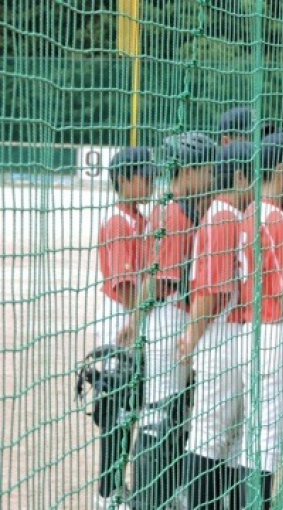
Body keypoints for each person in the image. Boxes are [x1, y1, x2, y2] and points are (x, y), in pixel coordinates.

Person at [117, 132, 217, 509]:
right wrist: (136, 322)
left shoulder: (174, 207)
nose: (211, 176)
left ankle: (158, 496)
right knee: (161, 415)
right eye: (206, 169)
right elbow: (157, 283)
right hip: (168, 321)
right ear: (188, 171)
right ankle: (147, 499)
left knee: (169, 414)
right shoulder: (173, 214)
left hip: (168, 319)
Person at [178, 141, 254, 510]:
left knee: (218, 437)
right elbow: (212, 290)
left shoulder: (224, 215)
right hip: (225, 335)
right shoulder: (227, 215)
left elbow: (212, 291)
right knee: (219, 437)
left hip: (224, 336)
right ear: (239, 177)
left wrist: (191, 338)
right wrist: (192, 337)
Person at [238, 132, 283, 509]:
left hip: (251, 331)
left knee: (253, 435)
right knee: (267, 440)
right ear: (281, 169)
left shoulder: (250, 210)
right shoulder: (275, 217)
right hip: (274, 331)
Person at [94, 146, 158, 509]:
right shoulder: (120, 221)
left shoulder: (139, 218)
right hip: (120, 321)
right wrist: (140, 321)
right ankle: (108, 494)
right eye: (144, 176)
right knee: (117, 411)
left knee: (131, 408)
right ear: (123, 179)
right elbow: (126, 286)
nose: (150, 182)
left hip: (134, 321)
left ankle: (119, 489)